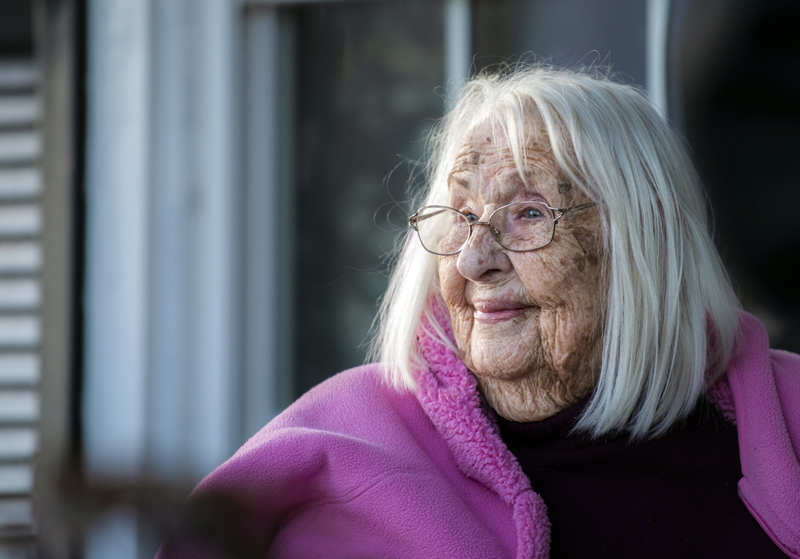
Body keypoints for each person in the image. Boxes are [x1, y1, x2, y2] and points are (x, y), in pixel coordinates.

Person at [156, 66, 800, 559]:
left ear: (644, 239)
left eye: (527, 214)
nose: (472, 260)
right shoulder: (336, 454)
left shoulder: (786, 413)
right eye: (461, 216)